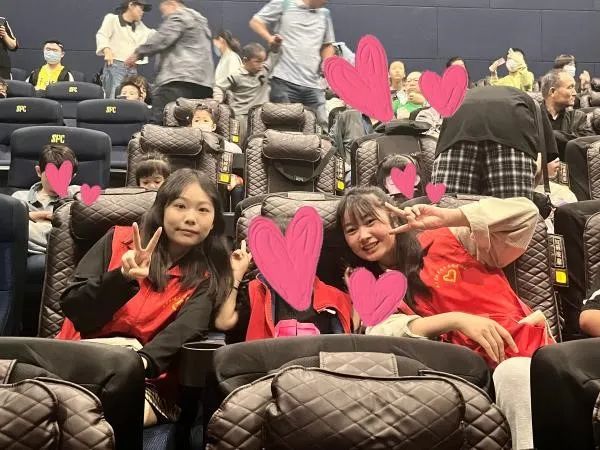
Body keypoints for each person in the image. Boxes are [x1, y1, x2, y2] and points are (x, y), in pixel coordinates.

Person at [337, 187, 553, 449]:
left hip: (525, 353)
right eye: (351, 230)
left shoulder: (452, 236)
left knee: (515, 372)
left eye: (371, 221)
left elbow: (526, 215)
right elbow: (384, 333)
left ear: (394, 217)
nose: (363, 236)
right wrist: (457, 320)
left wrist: (451, 217)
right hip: (462, 379)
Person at [56, 169, 244, 426]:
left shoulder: (207, 275)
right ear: (162, 209)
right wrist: (121, 278)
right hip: (77, 363)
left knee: (99, 414)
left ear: (213, 223)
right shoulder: (117, 239)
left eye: (203, 210)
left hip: (145, 378)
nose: (190, 218)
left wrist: (137, 364)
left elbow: (187, 328)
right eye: (180, 206)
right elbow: (75, 308)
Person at [432, 86, 559, 200]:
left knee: (446, 210)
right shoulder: (534, 106)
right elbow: (544, 164)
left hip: (459, 121)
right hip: (512, 127)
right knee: (511, 212)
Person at [249, 0, 336, 129]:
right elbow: (256, 22)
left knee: (321, 127)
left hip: (313, 85)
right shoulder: (285, 3)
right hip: (284, 82)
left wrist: (327, 66)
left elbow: (327, 45)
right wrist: (270, 39)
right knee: (285, 130)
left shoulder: (325, 14)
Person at [126, 0, 215, 124]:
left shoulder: (179, 15)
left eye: (164, 12)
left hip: (178, 82)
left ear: (172, 4)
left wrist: (138, 53)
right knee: (193, 126)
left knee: (158, 124)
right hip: (203, 86)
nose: (164, 16)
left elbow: (162, 38)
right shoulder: (201, 22)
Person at [12, 145, 79, 255]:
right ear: (39, 171)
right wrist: (29, 216)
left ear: (73, 176)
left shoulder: (77, 193)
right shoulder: (20, 198)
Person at [213, 42, 272, 142]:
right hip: (240, 116)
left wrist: (275, 45)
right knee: (236, 141)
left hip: (260, 116)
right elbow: (219, 86)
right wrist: (217, 99)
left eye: (263, 61)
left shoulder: (264, 70)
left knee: (258, 143)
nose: (261, 65)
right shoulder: (236, 75)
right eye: (257, 61)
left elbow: (274, 55)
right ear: (245, 61)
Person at [96, 1, 155, 99]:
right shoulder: (112, 19)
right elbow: (102, 35)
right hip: (115, 66)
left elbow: (153, 35)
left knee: (133, 98)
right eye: (140, 8)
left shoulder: (140, 26)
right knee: (114, 98)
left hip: (132, 69)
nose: (142, 12)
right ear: (131, 5)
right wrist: (106, 50)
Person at [541, 69, 595, 159]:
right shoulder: (532, 116)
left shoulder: (578, 117)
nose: (575, 93)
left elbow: (589, 143)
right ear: (553, 92)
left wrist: (553, 135)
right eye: (570, 87)